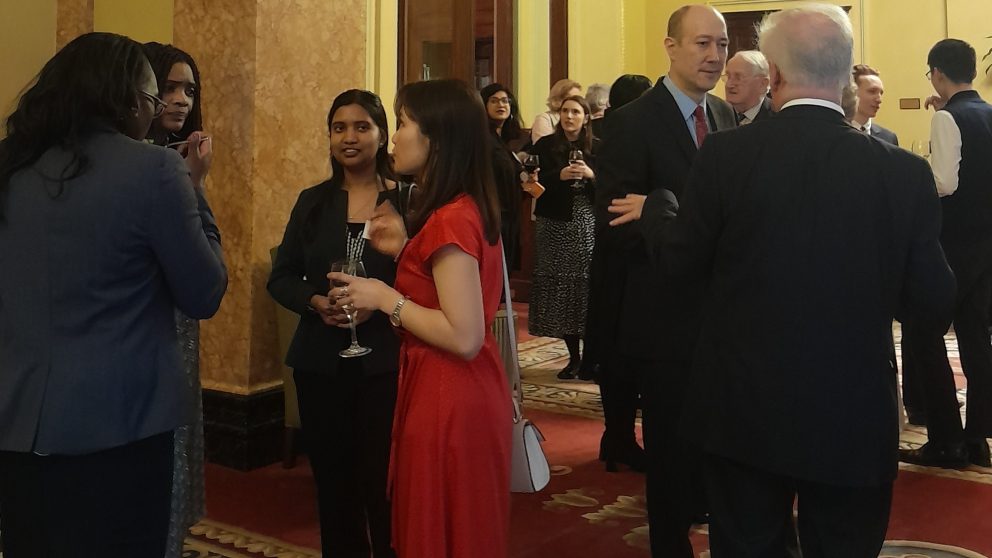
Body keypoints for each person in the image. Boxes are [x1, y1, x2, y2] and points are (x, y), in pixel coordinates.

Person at [638, 5, 954, 556]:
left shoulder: (726, 156)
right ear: (846, 75)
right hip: (853, 412)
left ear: (776, 76)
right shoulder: (903, 173)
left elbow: (680, 266)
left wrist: (658, 210)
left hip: (743, 410)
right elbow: (932, 306)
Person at [0, 32, 227, 557]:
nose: (155, 114)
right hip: (120, 430)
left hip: (17, 426)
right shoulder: (155, 170)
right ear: (127, 101)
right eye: (152, 100)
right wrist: (196, 191)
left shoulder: (10, 168)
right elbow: (204, 292)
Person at [328, 79, 510, 558]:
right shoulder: (461, 208)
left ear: (437, 139)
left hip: (450, 395)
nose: (395, 137)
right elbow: (448, 294)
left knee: (443, 528)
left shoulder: (451, 218)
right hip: (454, 387)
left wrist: (385, 296)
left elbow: (464, 335)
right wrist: (406, 252)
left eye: (404, 123)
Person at [593, 5, 736, 556]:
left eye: (722, 44)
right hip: (663, 317)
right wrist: (687, 230)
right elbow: (616, 221)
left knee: (715, 445)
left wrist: (661, 210)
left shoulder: (724, 115)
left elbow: (727, 211)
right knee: (670, 454)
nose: (714, 56)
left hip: (719, 314)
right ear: (670, 47)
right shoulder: (632, 121)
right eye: (702, 43)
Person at [268, 89, 400, 557]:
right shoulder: (313, 202)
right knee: (334, 484)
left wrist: (379, 303)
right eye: (339, 127)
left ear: (382, 135)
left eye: (362, 127)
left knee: (383, 482)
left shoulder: (407, 200)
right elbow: (281, 277)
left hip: (386, 361)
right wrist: (315, 301)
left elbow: (422, 278)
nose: (349, 137)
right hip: (320, 363)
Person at [900, 38, 992, 469]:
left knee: (922, 332)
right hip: (986, 245)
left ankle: (945, 439)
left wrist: (913, 176)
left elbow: (944, 182)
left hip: (953, 246)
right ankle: (978, 438)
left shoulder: (947, 117)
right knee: (976, 337)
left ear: (937, 73)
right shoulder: (988, 113)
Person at [142, 41, 211, 558]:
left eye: (189, 89)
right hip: (147, 323)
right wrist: (194, 185)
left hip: (182, 319)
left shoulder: (176, 158)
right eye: (169, 87)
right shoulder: (149, 165)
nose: (181, 100)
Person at [527, 95, 598, 380]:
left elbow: (613, 182)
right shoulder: (545, 145)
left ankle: (591, 358)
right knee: (560, 288)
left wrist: (590, 174)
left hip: (585, 220)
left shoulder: (598, 146)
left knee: (584, 286)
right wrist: (559, 176)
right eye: (565, 111)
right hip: (553, 223)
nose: (569, 117)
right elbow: (530, 181)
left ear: (586, 117)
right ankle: (573, 357)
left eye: (576, 112)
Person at [480, 83, 524, 267]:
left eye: (505, 101)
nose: (501, 105)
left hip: (508, 216)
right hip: (493, 216)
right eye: (494, 101)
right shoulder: (483, 139)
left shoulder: (503, 141)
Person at [852, 64, 899, 145]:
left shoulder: (889, 138)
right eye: (872, 91)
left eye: (881, 93)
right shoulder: (834, 134)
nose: (879, 100)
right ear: (852, 92)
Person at [723, 50, 773, 124]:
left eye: (738, 78)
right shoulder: (717, 114)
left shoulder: (778, 117)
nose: (729, 84)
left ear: (762, 84)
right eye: (728, 76)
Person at [530, 78, 582, 144]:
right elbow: (542, 146)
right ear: (558, 99)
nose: (575, 102)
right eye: (571, 98)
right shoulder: (544, 119)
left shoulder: (581, 117)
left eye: (578, 99)